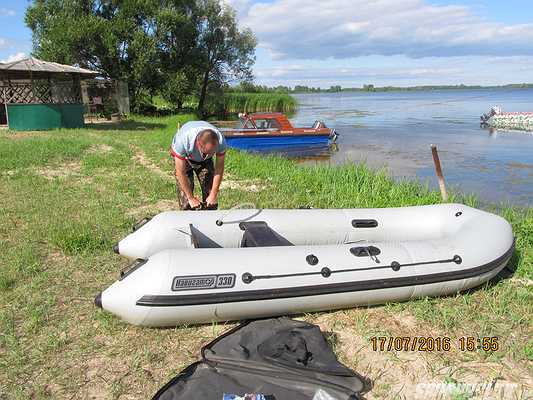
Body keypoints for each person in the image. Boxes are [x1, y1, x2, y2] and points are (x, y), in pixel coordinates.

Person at [170, 121, 227, 210]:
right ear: (199, 145)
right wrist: (190, 198)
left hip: (205, 160)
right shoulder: (183, 141)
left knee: (211, 197)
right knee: (186, 201)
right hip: (185, 158)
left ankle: (209, 220)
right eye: (208, 152)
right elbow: (180, 172)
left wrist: (213, 194)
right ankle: (188, 220)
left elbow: (219, 168)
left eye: (213, 152)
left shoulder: (221, 141)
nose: (211, 154)